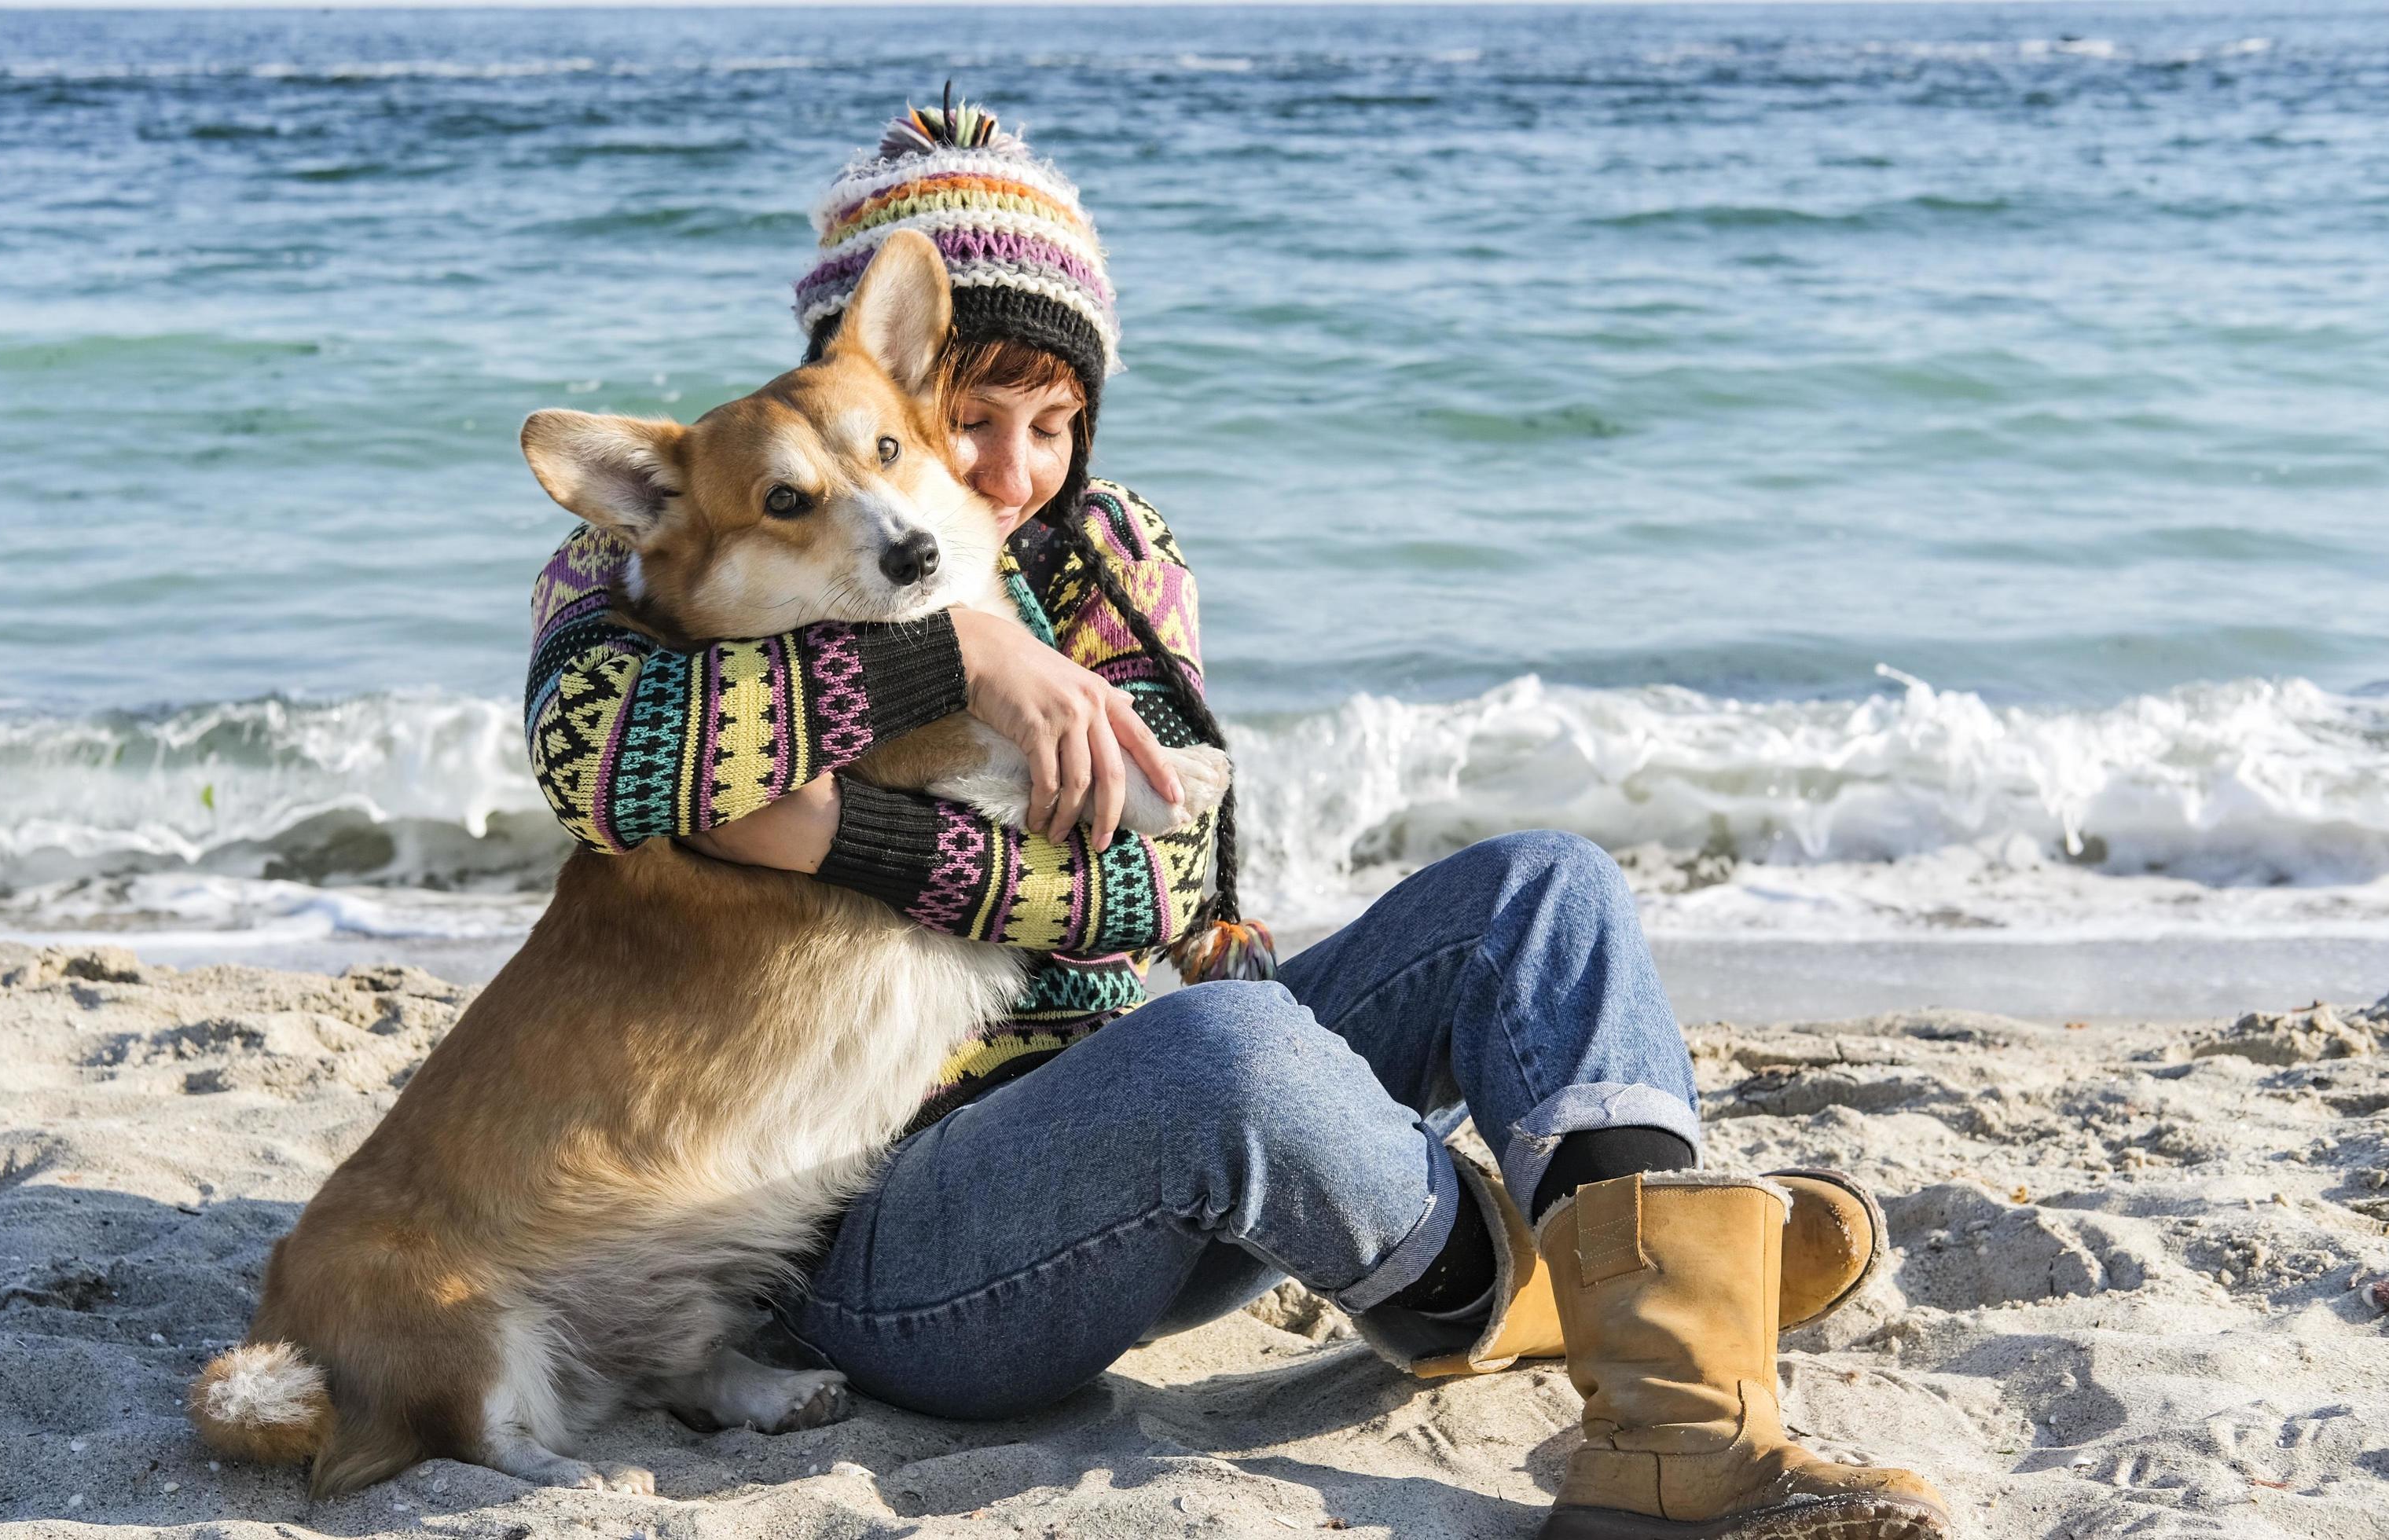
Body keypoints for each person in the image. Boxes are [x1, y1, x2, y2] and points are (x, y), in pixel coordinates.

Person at [523, 95, 1949, 1540]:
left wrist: (847, 835)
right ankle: (1578, 1293)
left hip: (1181, 1156)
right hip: (903, 1243)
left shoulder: (1115, 553)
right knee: (1224, 1042)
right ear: (865, 402)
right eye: (966, 422)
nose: (1013, 474)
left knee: (1545, 891)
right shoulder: (663, 540)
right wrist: (955, 652)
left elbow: (1157, 880)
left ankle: (1676, 1419)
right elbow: (605, 769)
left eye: (1055, 423)